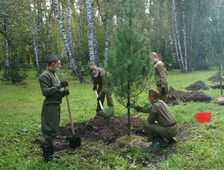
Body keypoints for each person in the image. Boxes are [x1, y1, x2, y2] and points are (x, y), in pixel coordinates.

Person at [39, 54, 69, 162]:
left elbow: (54, 92)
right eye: (59, 63)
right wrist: (59, 86)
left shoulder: (54, 75)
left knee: (54, 129)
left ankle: (50, 154)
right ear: (53, 64)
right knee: (49, 130)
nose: (60, 66)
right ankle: (47, 156)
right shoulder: (44, 76)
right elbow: (46, 92)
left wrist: (62, 93)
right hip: (50, 106)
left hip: (56, 104)